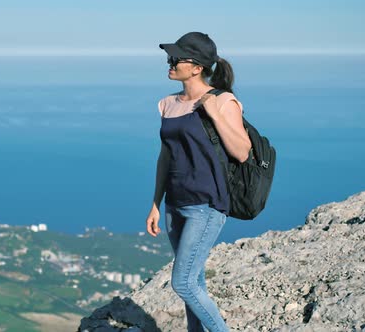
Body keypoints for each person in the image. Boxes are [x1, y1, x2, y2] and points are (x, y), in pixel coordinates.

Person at [145, 32, 252, 332]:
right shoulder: (167, 104)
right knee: (195, 281)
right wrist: (155, 203)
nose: (169, 62)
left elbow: (242, 152)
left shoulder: (223, 100)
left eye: (176, 58)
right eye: (169, 57)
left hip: (206, 206)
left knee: (182, 282)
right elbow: (165, 157)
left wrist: (215, 115)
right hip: (174, 204)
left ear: (196, 67)